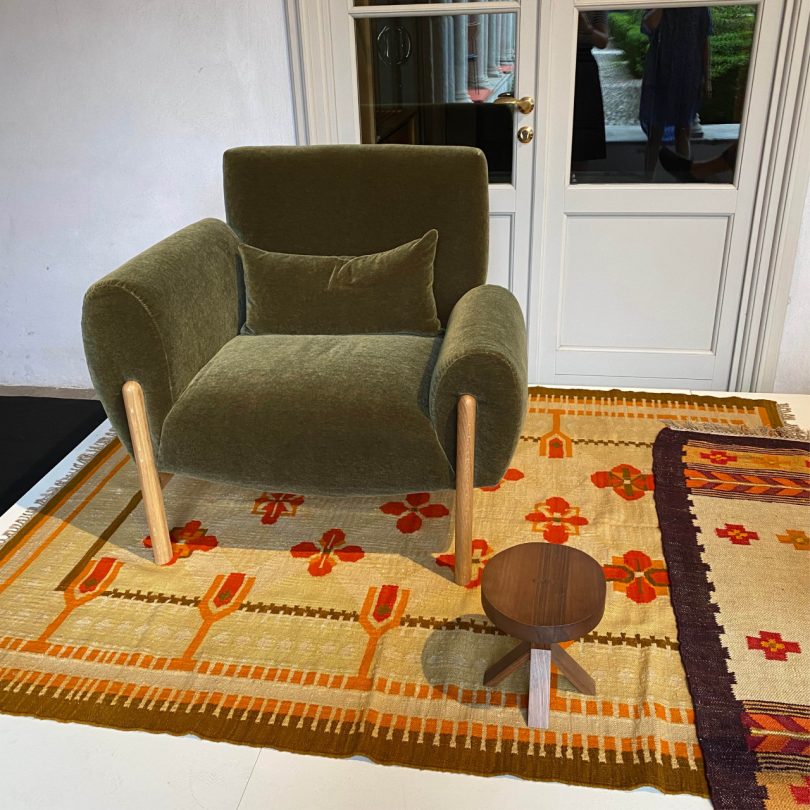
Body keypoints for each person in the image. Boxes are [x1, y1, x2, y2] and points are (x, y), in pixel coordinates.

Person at [639, 7, 713, 176]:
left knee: (683, 129)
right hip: (660, 71)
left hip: (688, 71)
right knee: (655, 131)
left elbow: (704, 41)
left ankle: (684, 181)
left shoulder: (699, 6)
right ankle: (646, 183)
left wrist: (707, 78)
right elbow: (650, 24)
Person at [571, 12, 609, 177]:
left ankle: (577, 184)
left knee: (583, 129)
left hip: (584, 64)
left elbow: (603, 41)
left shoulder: (595, 4)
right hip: (554, 60)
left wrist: (587, 28)